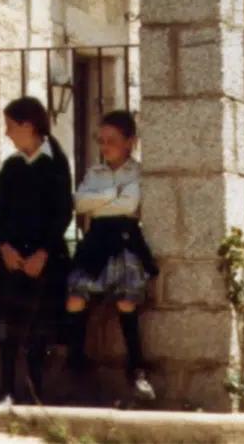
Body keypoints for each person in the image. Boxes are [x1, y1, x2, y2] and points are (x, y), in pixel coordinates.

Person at [65, 110, 158, 404]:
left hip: (125, 239)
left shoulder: (139, 172)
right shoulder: (95, 172)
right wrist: (114, 192)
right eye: (101, 141)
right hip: (96, 241)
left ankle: (137, 369)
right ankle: (76, 363)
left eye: (112, 141)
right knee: (75, 295)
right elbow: (79, 203)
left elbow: (131, 205)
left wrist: (102, 200)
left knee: (126, 299)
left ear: (130, 141)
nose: (105, 147)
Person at [0, 96, 73, 407]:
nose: (7, 133)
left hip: (44, 258)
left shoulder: (56, 164)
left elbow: (62, 212)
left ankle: (35, 392)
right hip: (13, 257)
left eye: (11, 126)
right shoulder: (12, 166)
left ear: (28, 126)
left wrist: (44, 253)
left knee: (39, 329)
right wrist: (4, 248)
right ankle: (7, 390)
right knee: (8, 330)